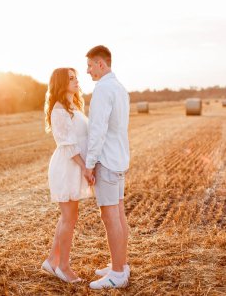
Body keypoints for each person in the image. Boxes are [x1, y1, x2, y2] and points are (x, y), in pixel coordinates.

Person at [84, 45, 130, 289]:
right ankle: (120, 264)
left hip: (108, 161)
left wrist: (89, 164)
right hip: (119, 159)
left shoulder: (103, 89)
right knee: (119, 213)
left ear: (101, 64)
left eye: (90, 65)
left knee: (109, 215)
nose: (88, 70)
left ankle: (118, 274)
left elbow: (98, 130)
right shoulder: (120, 88)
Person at [42, 67, 93, 283]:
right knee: (69, 218)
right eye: (71, 78)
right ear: (61, 83)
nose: (76, 81)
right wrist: (84, 167)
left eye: (76, 77)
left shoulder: (74, 106)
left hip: (75, 165)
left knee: (69, 217)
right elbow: (69, 146)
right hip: (67, 167)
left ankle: (52, 261)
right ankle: (63, 266)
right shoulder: (59, 110)